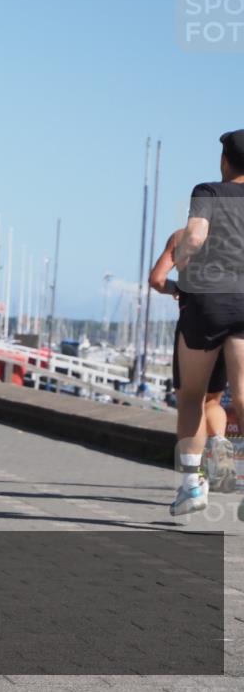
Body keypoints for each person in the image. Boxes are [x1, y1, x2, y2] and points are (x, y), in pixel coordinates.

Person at [168, 129, 244, 516]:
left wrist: (182, 260)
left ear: (224, 161)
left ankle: (191, 487)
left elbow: (196, 236)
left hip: (208, 300)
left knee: (193, 397)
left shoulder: (209, 192)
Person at [149, 229, 234, 491]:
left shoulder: (180, 237)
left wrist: (178, 289)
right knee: (213, 399)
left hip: (195, 324)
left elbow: (156, 279)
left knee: (191, 398)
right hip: (233, 321)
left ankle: (192, 480)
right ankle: (218, 438)